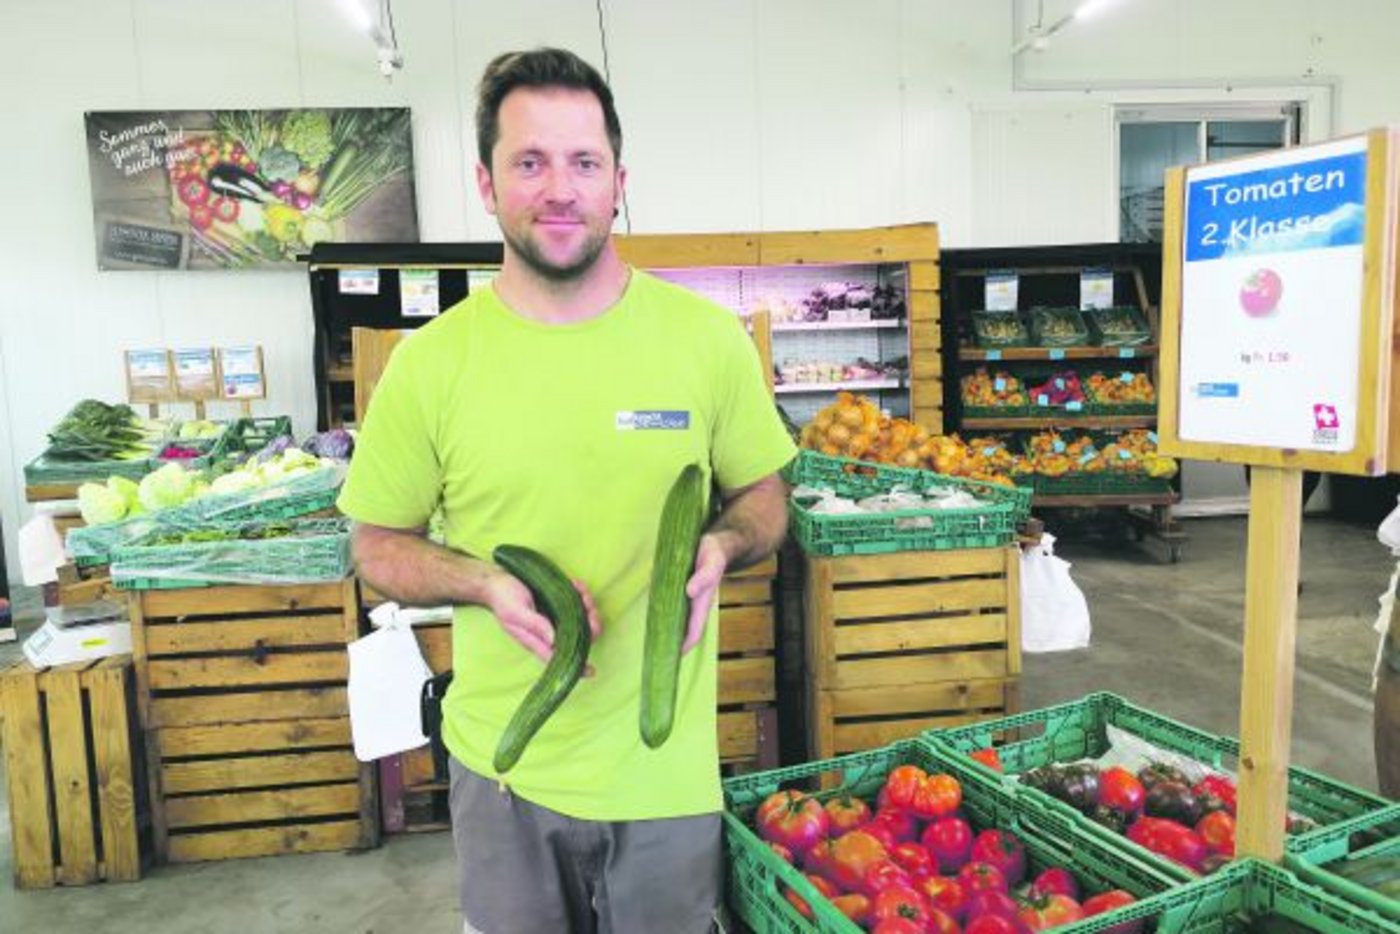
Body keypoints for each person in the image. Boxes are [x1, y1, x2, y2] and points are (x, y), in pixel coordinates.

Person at [338, 47, 796, 934]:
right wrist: (483, 582)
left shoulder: (706, 342)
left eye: (583, 162)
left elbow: (765, 496)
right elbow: (375, 547)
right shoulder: (430, 365)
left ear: (618, 180)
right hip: (501, 771)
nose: (560, 188)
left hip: (664, 773)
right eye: (530, 161)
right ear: (486, 182)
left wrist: (724, 542)